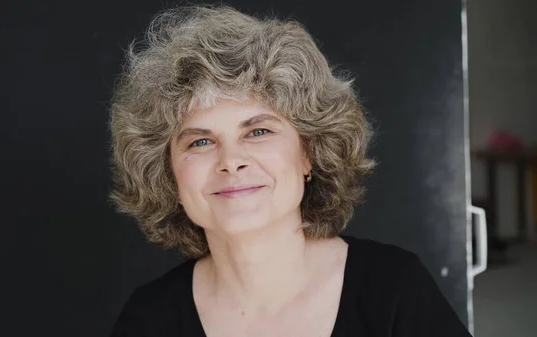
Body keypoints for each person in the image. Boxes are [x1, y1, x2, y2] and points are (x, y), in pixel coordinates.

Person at [108, 5, 471, 337]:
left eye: (258, 131)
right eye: (200, 142)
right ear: (167, 173)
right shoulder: (147, 320)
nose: (231, 160)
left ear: (308, 154)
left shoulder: (394, 290)